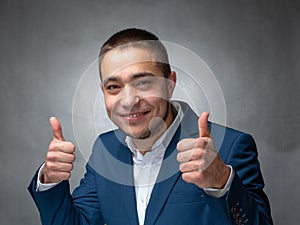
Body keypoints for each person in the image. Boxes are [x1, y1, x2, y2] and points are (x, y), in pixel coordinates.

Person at [28, 28, 273, 225]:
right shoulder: (105, 149)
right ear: (103, 92)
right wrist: (50, 180)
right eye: (114, 87)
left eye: (143, 82)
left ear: (170, 84)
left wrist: (221, 182)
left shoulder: (230, 146)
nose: (128, 101)